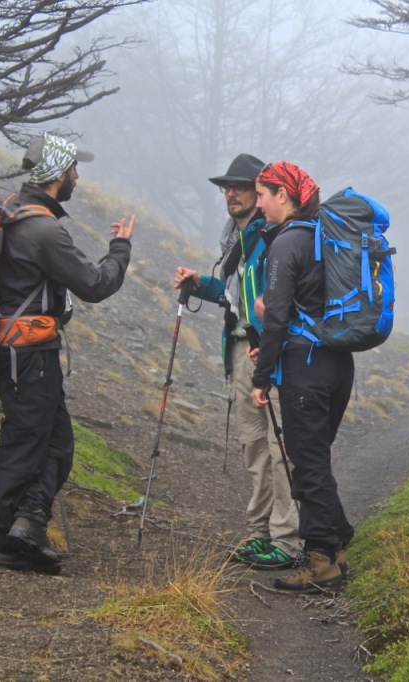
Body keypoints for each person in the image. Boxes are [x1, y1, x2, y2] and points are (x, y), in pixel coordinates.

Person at [0, 133, 135, 574]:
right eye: (72, 169)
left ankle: (24, 528)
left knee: (52, 442)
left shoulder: (15, 212)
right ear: (56, 174)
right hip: (27, 352)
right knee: (29, 442)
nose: (77, 177)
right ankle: (10, 536)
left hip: (19, 349)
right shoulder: (43, 229)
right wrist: (121, 248)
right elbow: (95, 284)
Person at [173, 154, 302, 570]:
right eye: (227, 187)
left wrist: (270, 348)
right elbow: (237, 298)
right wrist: (202, 283)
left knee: (279, 447)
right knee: (254, 448)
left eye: (242, 186)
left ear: (260, 192)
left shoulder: (275, 238)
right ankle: (260, 532)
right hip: (240, 352)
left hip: (269, 356)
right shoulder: (238, 241)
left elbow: (279, 304)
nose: (232, 193)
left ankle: (287, 540)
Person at [249, 161, 354, 592]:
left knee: (307, 462)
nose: (258, 205)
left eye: (262, 195)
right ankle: (340, 540)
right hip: (338, 362)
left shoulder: (286, 243)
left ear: (285, 197)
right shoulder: (323, 238)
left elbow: (275, 317)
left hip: (305, 368)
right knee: (316, 457)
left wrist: (260, 377)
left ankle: (321, 562)